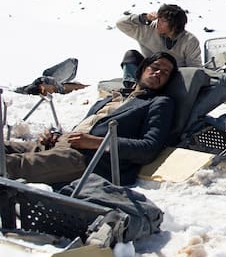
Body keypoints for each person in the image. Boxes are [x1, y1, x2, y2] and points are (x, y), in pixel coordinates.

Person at [4, 52, 178, 186]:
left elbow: (148, 149)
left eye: (165, 73)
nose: (158, 73)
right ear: (142, 69)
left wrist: (96, 143)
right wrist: (56, 136)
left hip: (88, 159)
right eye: (155, 67)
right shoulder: (114, 97)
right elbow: (87, 127)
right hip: (61, 145)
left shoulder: (159, 103)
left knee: (11, 166)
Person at [117, 4, 202, 85]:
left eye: (163, 21)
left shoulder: (189, 41)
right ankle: (133, 86)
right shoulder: (148, 29)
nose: (158, 22)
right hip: (150, 72)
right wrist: (143, 18)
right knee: (131, 55)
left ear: (174, 26)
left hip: (172, 77)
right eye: (159, 19)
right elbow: (121, 24)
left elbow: (194, 68)